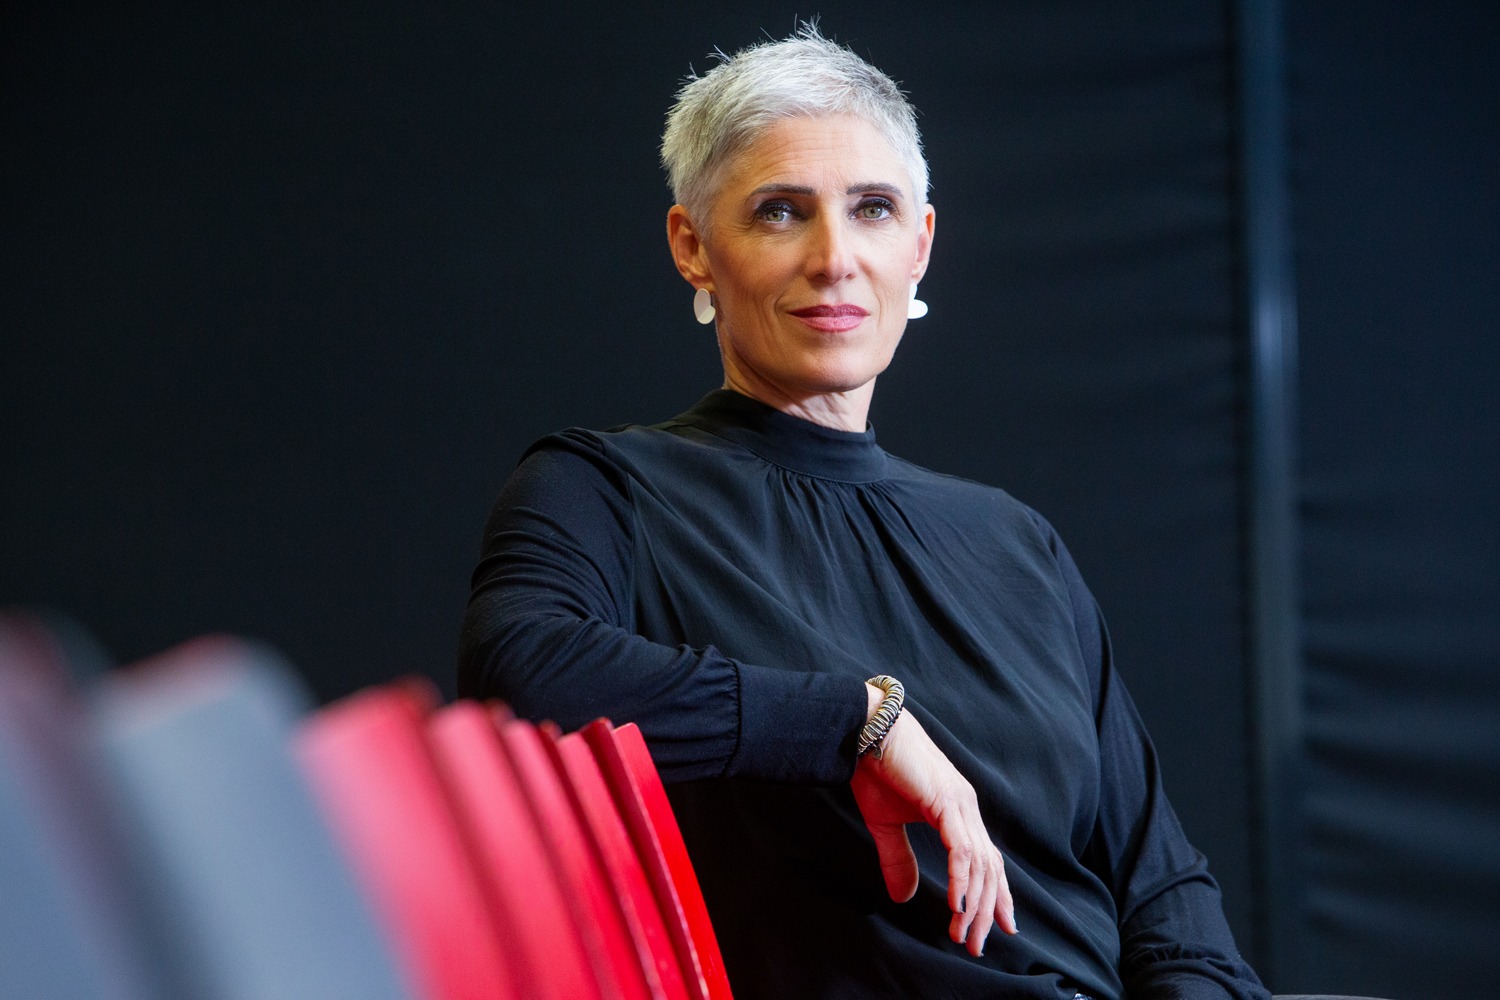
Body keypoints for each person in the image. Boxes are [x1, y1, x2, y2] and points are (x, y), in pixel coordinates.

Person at [460, 24, 1269, 1000]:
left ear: (919, 245)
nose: (835, 257)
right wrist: (857, 722)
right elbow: (521, 675)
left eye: (872, 209)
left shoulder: (1016, 543)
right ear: (693, 247)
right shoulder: (604, 488)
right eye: (780, 212)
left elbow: (1163, 893)